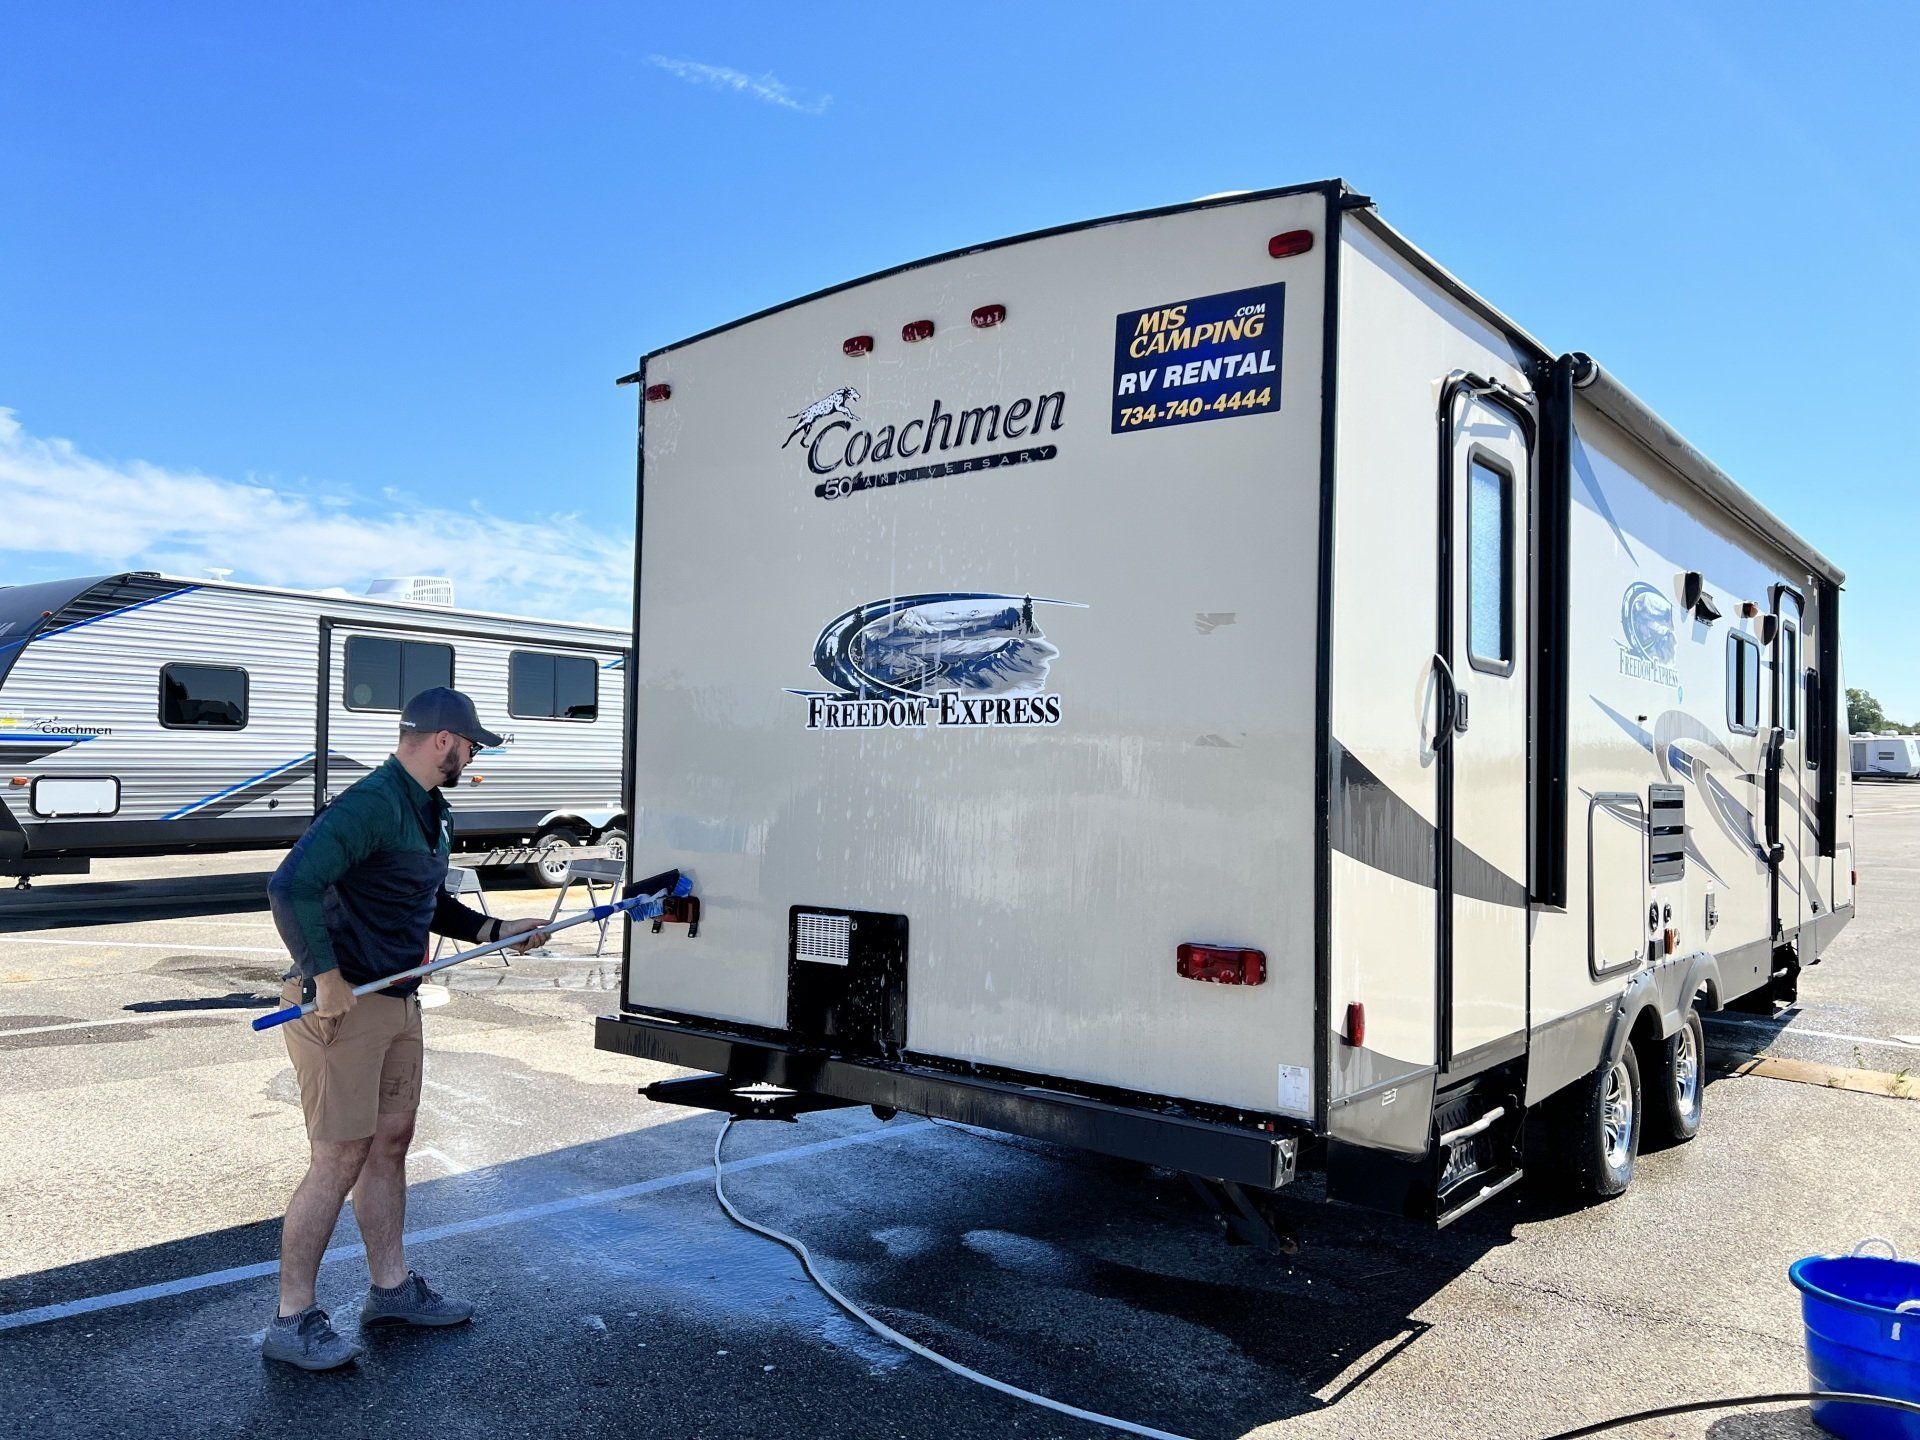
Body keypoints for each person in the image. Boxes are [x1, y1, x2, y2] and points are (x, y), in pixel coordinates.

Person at [260, 687, 547, 1370]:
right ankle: (291, 1317)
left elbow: (428, 901)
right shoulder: (371, 802)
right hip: (342, 1005)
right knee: (338, 1160)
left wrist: (495, 930)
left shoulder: (432, 812)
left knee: (390, 1144)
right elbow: (290, 885)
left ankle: (390, 1291)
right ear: (444, 740)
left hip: (396, 1000)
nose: (475, 756)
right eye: (472, 745)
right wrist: (322, 975)